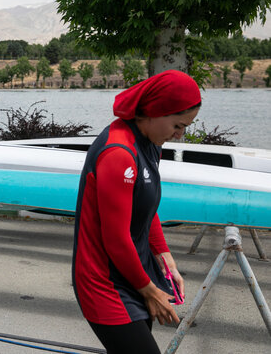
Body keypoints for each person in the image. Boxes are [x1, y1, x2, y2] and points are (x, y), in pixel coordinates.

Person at [72, 70, 199, 354]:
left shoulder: (150, 143)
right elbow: (116, 238)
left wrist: (167, 261)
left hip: (135, 275)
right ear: (155, 111)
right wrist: (149, 290)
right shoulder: (119, 153)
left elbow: (145, 207)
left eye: (186, 127)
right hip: (104, 283)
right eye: (178, 125)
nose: (180, 134)